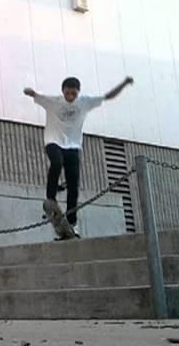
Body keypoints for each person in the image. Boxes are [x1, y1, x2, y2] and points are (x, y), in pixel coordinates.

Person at [24, 76, 134, 235]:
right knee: (56, 162)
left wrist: (123, 84)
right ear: (63, 91)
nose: (70, 97)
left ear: (78, 93)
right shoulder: (53, 101)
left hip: (73, 146)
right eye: (68, 93)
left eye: (73, 94)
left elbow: (107, 96)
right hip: (53, 142)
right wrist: (30, 92)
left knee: (73, 185)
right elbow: (36, 95)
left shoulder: (85, 102)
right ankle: (51, 200)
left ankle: (71, 222)